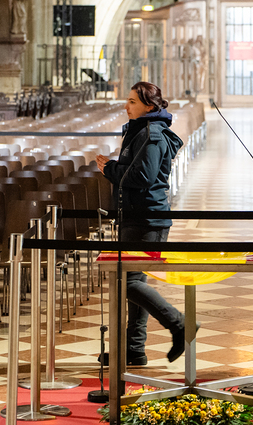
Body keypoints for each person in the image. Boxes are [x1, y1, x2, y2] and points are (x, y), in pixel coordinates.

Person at [96, 82, 185, 367]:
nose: (126, 106)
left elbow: (144, 176)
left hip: (148, 219)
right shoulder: (140, 130)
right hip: (135, 216)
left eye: (132, 101)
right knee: (134, 282)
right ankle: (134, 349)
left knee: (128, 281)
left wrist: (110, 168)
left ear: (149, 106)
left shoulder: (151, 133)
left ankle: (178, 323)